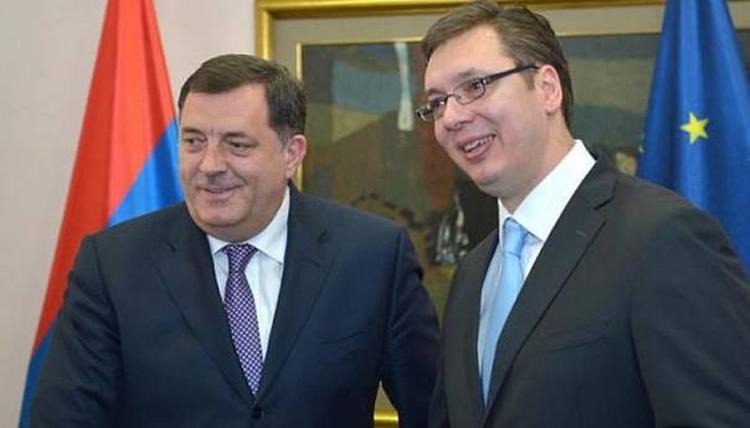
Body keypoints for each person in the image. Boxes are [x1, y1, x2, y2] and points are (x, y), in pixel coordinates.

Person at [30, 54, 439, 428]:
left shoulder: (372, 256)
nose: (209, 166)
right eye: (194, 141)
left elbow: (433, 413)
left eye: (237, 145)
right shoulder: (113, 264)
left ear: (292, 154)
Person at [417, 2, 750, 427]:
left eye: (476, 86)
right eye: (437, 103)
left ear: (548, 88)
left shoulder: (663, 239)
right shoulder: (473, 274)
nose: (451, 117)